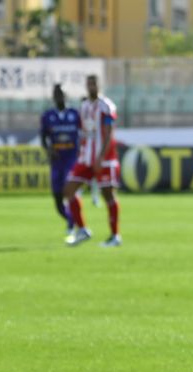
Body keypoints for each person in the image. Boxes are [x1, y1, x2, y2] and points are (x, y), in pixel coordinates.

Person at [63, 74, 121, 247]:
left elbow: (109, 132)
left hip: (103, 158)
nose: (91, 87)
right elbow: (84, 132)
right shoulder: (84, 106)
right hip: (85, 157)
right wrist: (81, 152)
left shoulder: (106, 106)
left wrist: (101, 156)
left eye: (94, 84)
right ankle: (82, 230)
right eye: (89, 84)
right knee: (69, 190)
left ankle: (115, 236)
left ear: (99, 85)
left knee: (108, 195)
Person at [40, 84, 80, 235]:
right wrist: (49, 150)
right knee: (57, 199)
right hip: (56, 160)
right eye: (56, 94)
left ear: (66, 96)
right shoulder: (47, 116)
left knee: (68, 190)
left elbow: (84, 134)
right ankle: (72, 220)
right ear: (53, 97)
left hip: (71, 158)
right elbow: (43, 137)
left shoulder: (75, 114)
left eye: (61, 94)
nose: (59, 97)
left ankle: (74, 224)